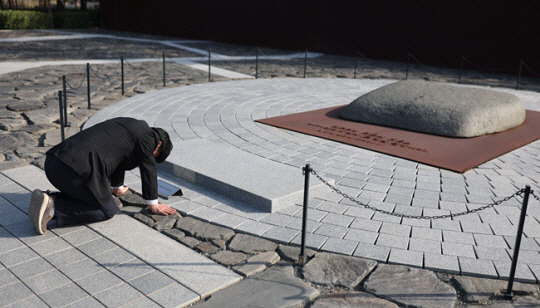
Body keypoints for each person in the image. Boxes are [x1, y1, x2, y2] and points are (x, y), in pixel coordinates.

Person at [28, 117, 177, 235]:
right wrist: (154, 204)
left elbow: (120, 159)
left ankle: (48, 200)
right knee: (107, 210)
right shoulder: (149, 137)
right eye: (154, 155)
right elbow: (148, 168)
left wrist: (117, 188)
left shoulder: (128, 125)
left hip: (54, 163)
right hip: (73, 171)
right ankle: (54, 208)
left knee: (96, 194)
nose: (150, 156)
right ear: (158, 144)